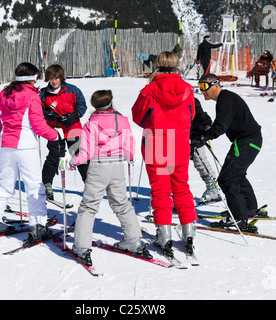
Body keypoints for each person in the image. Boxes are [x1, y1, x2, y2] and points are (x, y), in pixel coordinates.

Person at [59, 90, 149, 266]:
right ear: (111, 102)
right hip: (117, 167)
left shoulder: (91, 124)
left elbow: (85, 153)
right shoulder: (122, 121)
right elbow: (129, 144)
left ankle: (81, 247)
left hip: (98, 167)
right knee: (122, 203)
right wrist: (130, 158)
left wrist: (71, 162)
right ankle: (133, 240)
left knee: (89, 207)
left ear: (94, 105)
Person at [0, 62, 63, 243]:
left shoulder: (2, 94)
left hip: (7, 146)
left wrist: (4, 134)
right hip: (26, 147)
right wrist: (55, 135)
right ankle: (38, 226)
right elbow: (38, 125)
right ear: (31, 79)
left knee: (4, 184)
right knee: (34, 186)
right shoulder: (32, 96)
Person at [131, 51, 197, 257]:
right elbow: (192, 114)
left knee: (161, 190)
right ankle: (189, 231)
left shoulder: (149, 90)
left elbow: (138, 117)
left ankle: (164, 234)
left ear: (157, 65)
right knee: (181, 187)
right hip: (180, 142)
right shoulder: (187, 89)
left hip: (158, 142)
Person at [194, 73, 263, 233]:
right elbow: (221, 125)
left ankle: (238, 218)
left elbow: (220, 127)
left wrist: (203, 137)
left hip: (247, 141)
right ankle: (249, 208)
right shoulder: (225, 99)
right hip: (250, 141)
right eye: (200, 87)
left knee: (227, 178)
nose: (202, 91)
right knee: (236, 175)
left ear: (216, 85)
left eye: (205, 86)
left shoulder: (225, 99)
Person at [39, 64, 88, 200]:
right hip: (54, 129)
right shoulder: (44, 93)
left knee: (79, 156)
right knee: (54, 155)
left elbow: (82, 105)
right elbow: (38, 108)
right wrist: (46, 115)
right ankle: (47, 184)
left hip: (73, 128)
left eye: (57, 78)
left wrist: (74, 115)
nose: (54, 81)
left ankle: (89, 185)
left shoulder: (72, 90)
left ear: (61, 78)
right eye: (51, 78)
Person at [189, 98, 220, 205]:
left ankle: (213, 187)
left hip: (196, 137)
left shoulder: (192, 100)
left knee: (200, 163)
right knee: (177, 167)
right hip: (179, 137)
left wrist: (207, 124)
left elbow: (202, 115)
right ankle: (178, 195)